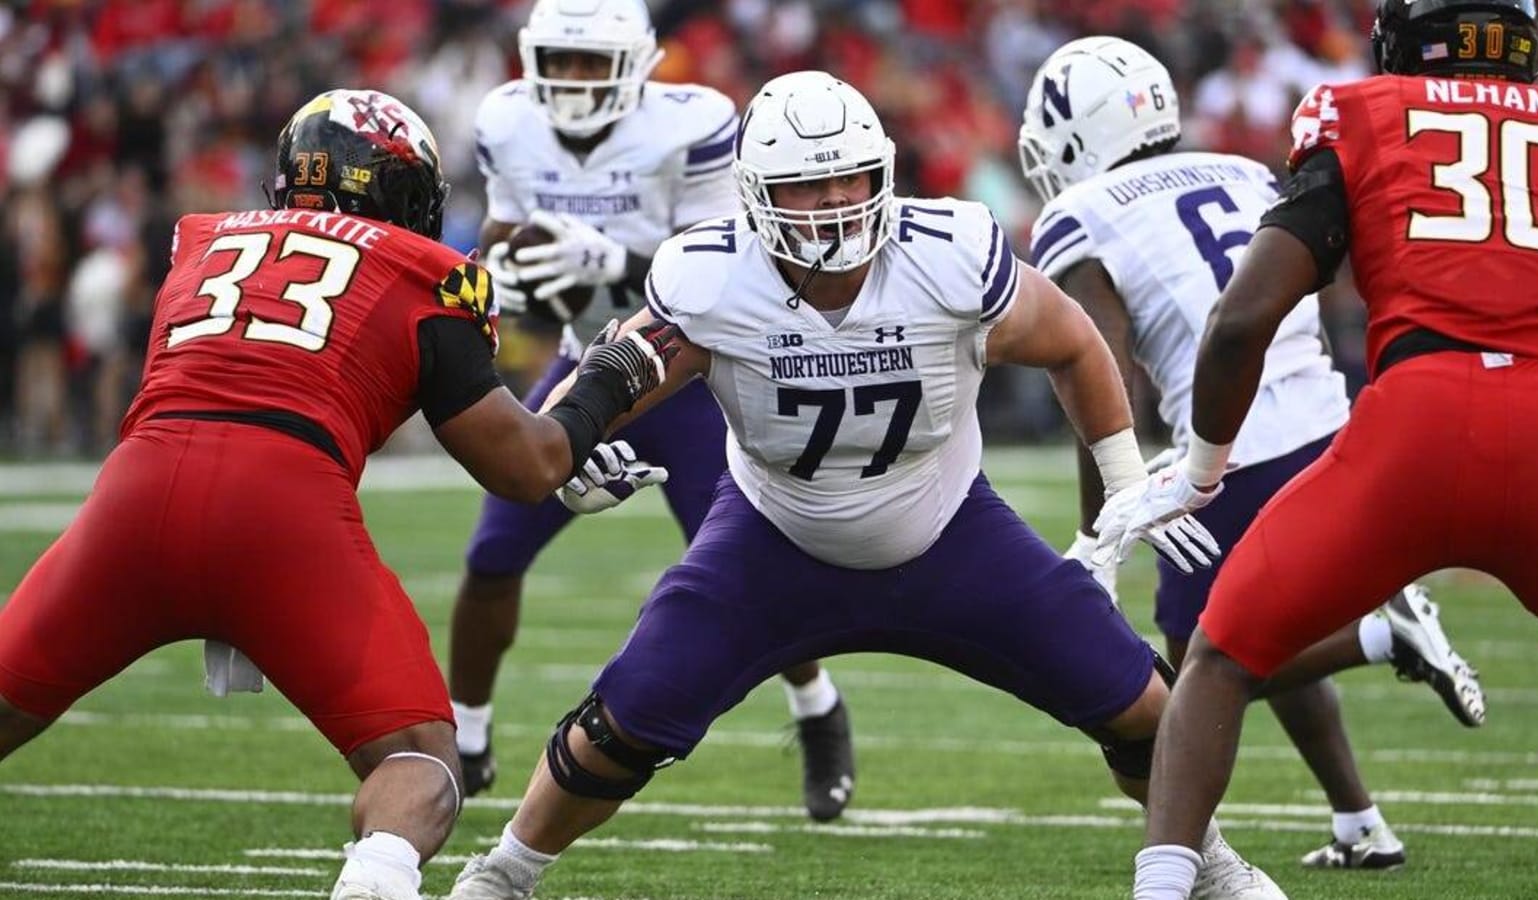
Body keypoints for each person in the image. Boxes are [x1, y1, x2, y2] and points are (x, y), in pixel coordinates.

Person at [444, 69, 1287, 900]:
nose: (834, 201)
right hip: (774, 539)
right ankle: (504, 873)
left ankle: (1207, 861)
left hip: (951, 530)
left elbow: (1071, 340)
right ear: (754, 193)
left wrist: (1124, 477)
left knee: (1140, 703)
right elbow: (613, 371)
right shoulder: (714, 276)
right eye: (805, 187)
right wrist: (571, 452)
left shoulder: (948, 255)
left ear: (883, 172)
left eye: (849, 176)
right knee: (621, 720)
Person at [0, 89, 677, 900]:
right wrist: (607, 381)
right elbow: (524, 468)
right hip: (284, 508)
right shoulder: (423, 271)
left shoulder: (202, 241)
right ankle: (375, 883)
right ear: (403, 194)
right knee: (422, 765)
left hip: (134, 494)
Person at [1100, 2, 1538, 896]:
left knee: (1217, 658)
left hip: (1414, 430)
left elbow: (1242, 320)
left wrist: (1202, 471)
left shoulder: (1364, 113)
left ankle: (1165, 887)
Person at [1018, 35, 1486, 870]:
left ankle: (1381, 641)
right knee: (1267, 615)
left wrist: (1103, 530)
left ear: (1076, 133)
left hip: (1231, 443)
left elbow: (1098, 370)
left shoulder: (1080, 212)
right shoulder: (1238, 169)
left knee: (1195, 664)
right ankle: (1359, 822)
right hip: (1332, 422)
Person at [455, 0, 857, 819]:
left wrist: (613, 258)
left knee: (748, 571)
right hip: (582, 358)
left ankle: (819, 708)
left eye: (586, 61)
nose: (570, 79)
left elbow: (732, 266)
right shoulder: (506, 118)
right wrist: (507, 264)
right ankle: (465, 737)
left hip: (684, 371)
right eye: (558, 60)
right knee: (495, 549)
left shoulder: (695, 123)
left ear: (638, 62)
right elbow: (500, 228)